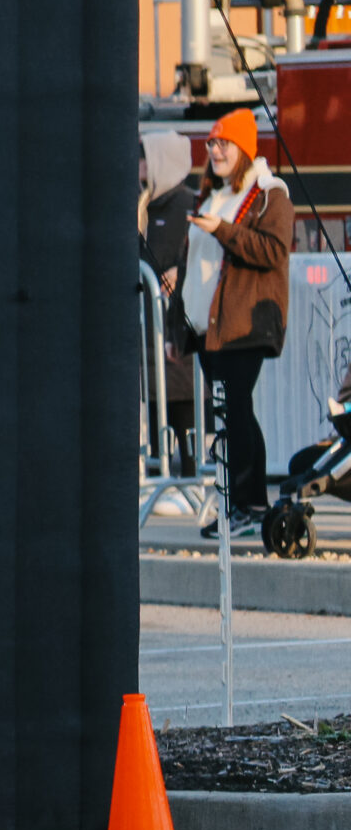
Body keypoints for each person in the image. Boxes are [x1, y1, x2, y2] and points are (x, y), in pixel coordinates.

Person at [183, 109, 293, 532]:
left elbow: (273, 251)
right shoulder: (212, 195)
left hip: (244, 323)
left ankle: (246, 506)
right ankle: (249, 505)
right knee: (236, 410)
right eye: (210, 143)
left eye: (222, 143)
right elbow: (194, 261)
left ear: (244, 149)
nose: (213, 150)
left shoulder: (270, 195)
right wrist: (180, 322)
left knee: (234, 408)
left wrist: (222, 230)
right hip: (209, 327)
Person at [140, 130, 201, 476]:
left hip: (175, 320)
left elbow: (201, 249)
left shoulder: (187, 203)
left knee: (181, 399)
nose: (139, 166)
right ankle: (159, 468)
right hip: (149, 321)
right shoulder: (144, 205)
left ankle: (189, 469)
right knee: (153, 395)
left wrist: (181, 270)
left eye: (145, 157)